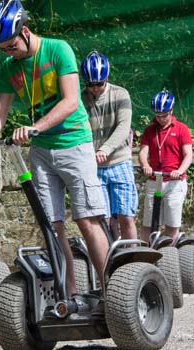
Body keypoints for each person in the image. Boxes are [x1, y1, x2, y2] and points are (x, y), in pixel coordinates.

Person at [0, 0, 109, 303]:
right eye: (2, 49)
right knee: (51, 226)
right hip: (42, 153)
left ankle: (111, 291)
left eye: (11, 46)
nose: (8, 53)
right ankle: (69, 293)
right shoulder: (9, 68)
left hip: (74, 144)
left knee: (87, 220)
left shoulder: (58, 50)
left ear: (25, 30)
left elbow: (71, 101)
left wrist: (36, 128)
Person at [80, 51, 138, 241]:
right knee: (102, 218)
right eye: (90, 85)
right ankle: (109, 256)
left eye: (99, 84)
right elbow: (81, 128)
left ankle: (132, 254)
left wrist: (105, 149)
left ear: (106, 78)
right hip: (94, 167)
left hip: (119, 162)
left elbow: (123, 127)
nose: (95, 89)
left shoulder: (120, 94)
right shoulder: (81, 99)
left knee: (126, 216)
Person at [139, 89, 192, 244]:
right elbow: (143, 152)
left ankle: (168, 255)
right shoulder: (150, 130)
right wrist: (145, 165)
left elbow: (188, 155)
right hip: (154, 181)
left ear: (171, 110)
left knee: (172, 224)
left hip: (174, 181)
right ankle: (147, 251)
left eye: (164, 115)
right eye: (157, 115)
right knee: (148, 223)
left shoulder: (181, 129)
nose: (161, 118)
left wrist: (180, 171)